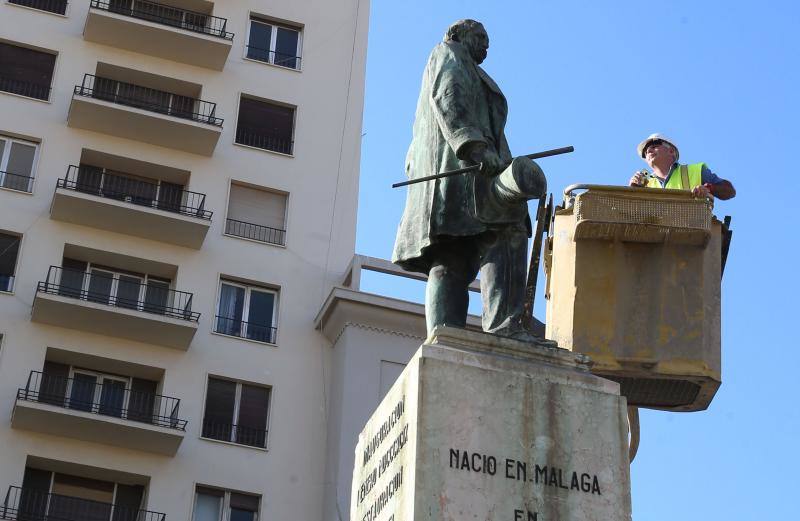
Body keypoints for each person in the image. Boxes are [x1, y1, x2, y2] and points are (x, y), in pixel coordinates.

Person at [392, 19, 546, 338]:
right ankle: (503, 325)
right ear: (460, 34)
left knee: (452, 256)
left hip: (458, 177)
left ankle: (444, 337)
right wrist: (474, 146)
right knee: (506, 227)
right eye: (481, 37)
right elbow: (450, 95)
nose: (486, 46)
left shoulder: (456, 63)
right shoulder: (449, 53)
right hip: (465, 172)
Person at [629, 133, 736, 200]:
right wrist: (633, 191)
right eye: (646, 152)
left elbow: (729, 191)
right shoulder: (645, 184)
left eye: (654, 146)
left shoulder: (696, 171)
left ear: (671, 151)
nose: (649, 151)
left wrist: (708, 189)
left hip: (692, 232)